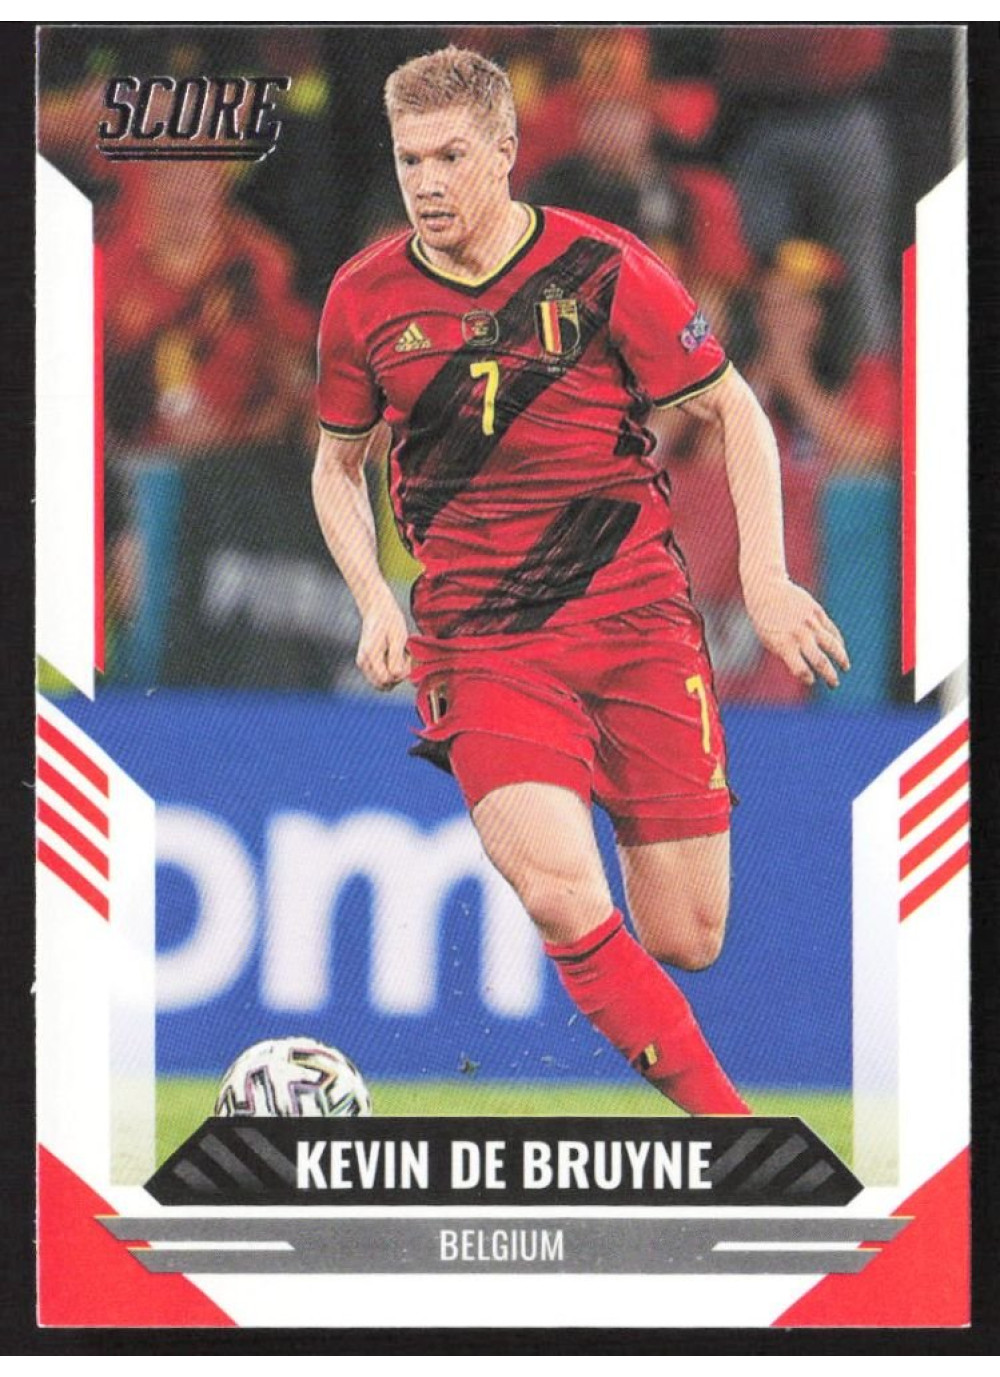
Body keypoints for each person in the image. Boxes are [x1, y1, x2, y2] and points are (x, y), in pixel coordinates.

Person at [312, 47, 849, 1116]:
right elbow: (337, 466)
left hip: (635, 619)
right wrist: (374, 595)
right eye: (409, 159)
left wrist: (765, 575)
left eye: (449, 156)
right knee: (561, 893)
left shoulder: (602, 267)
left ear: (505, 151)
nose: (425, 183)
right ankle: (738, 1142)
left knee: (688, 934)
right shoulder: (364, 297)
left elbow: (731, 407)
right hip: (483, 641)